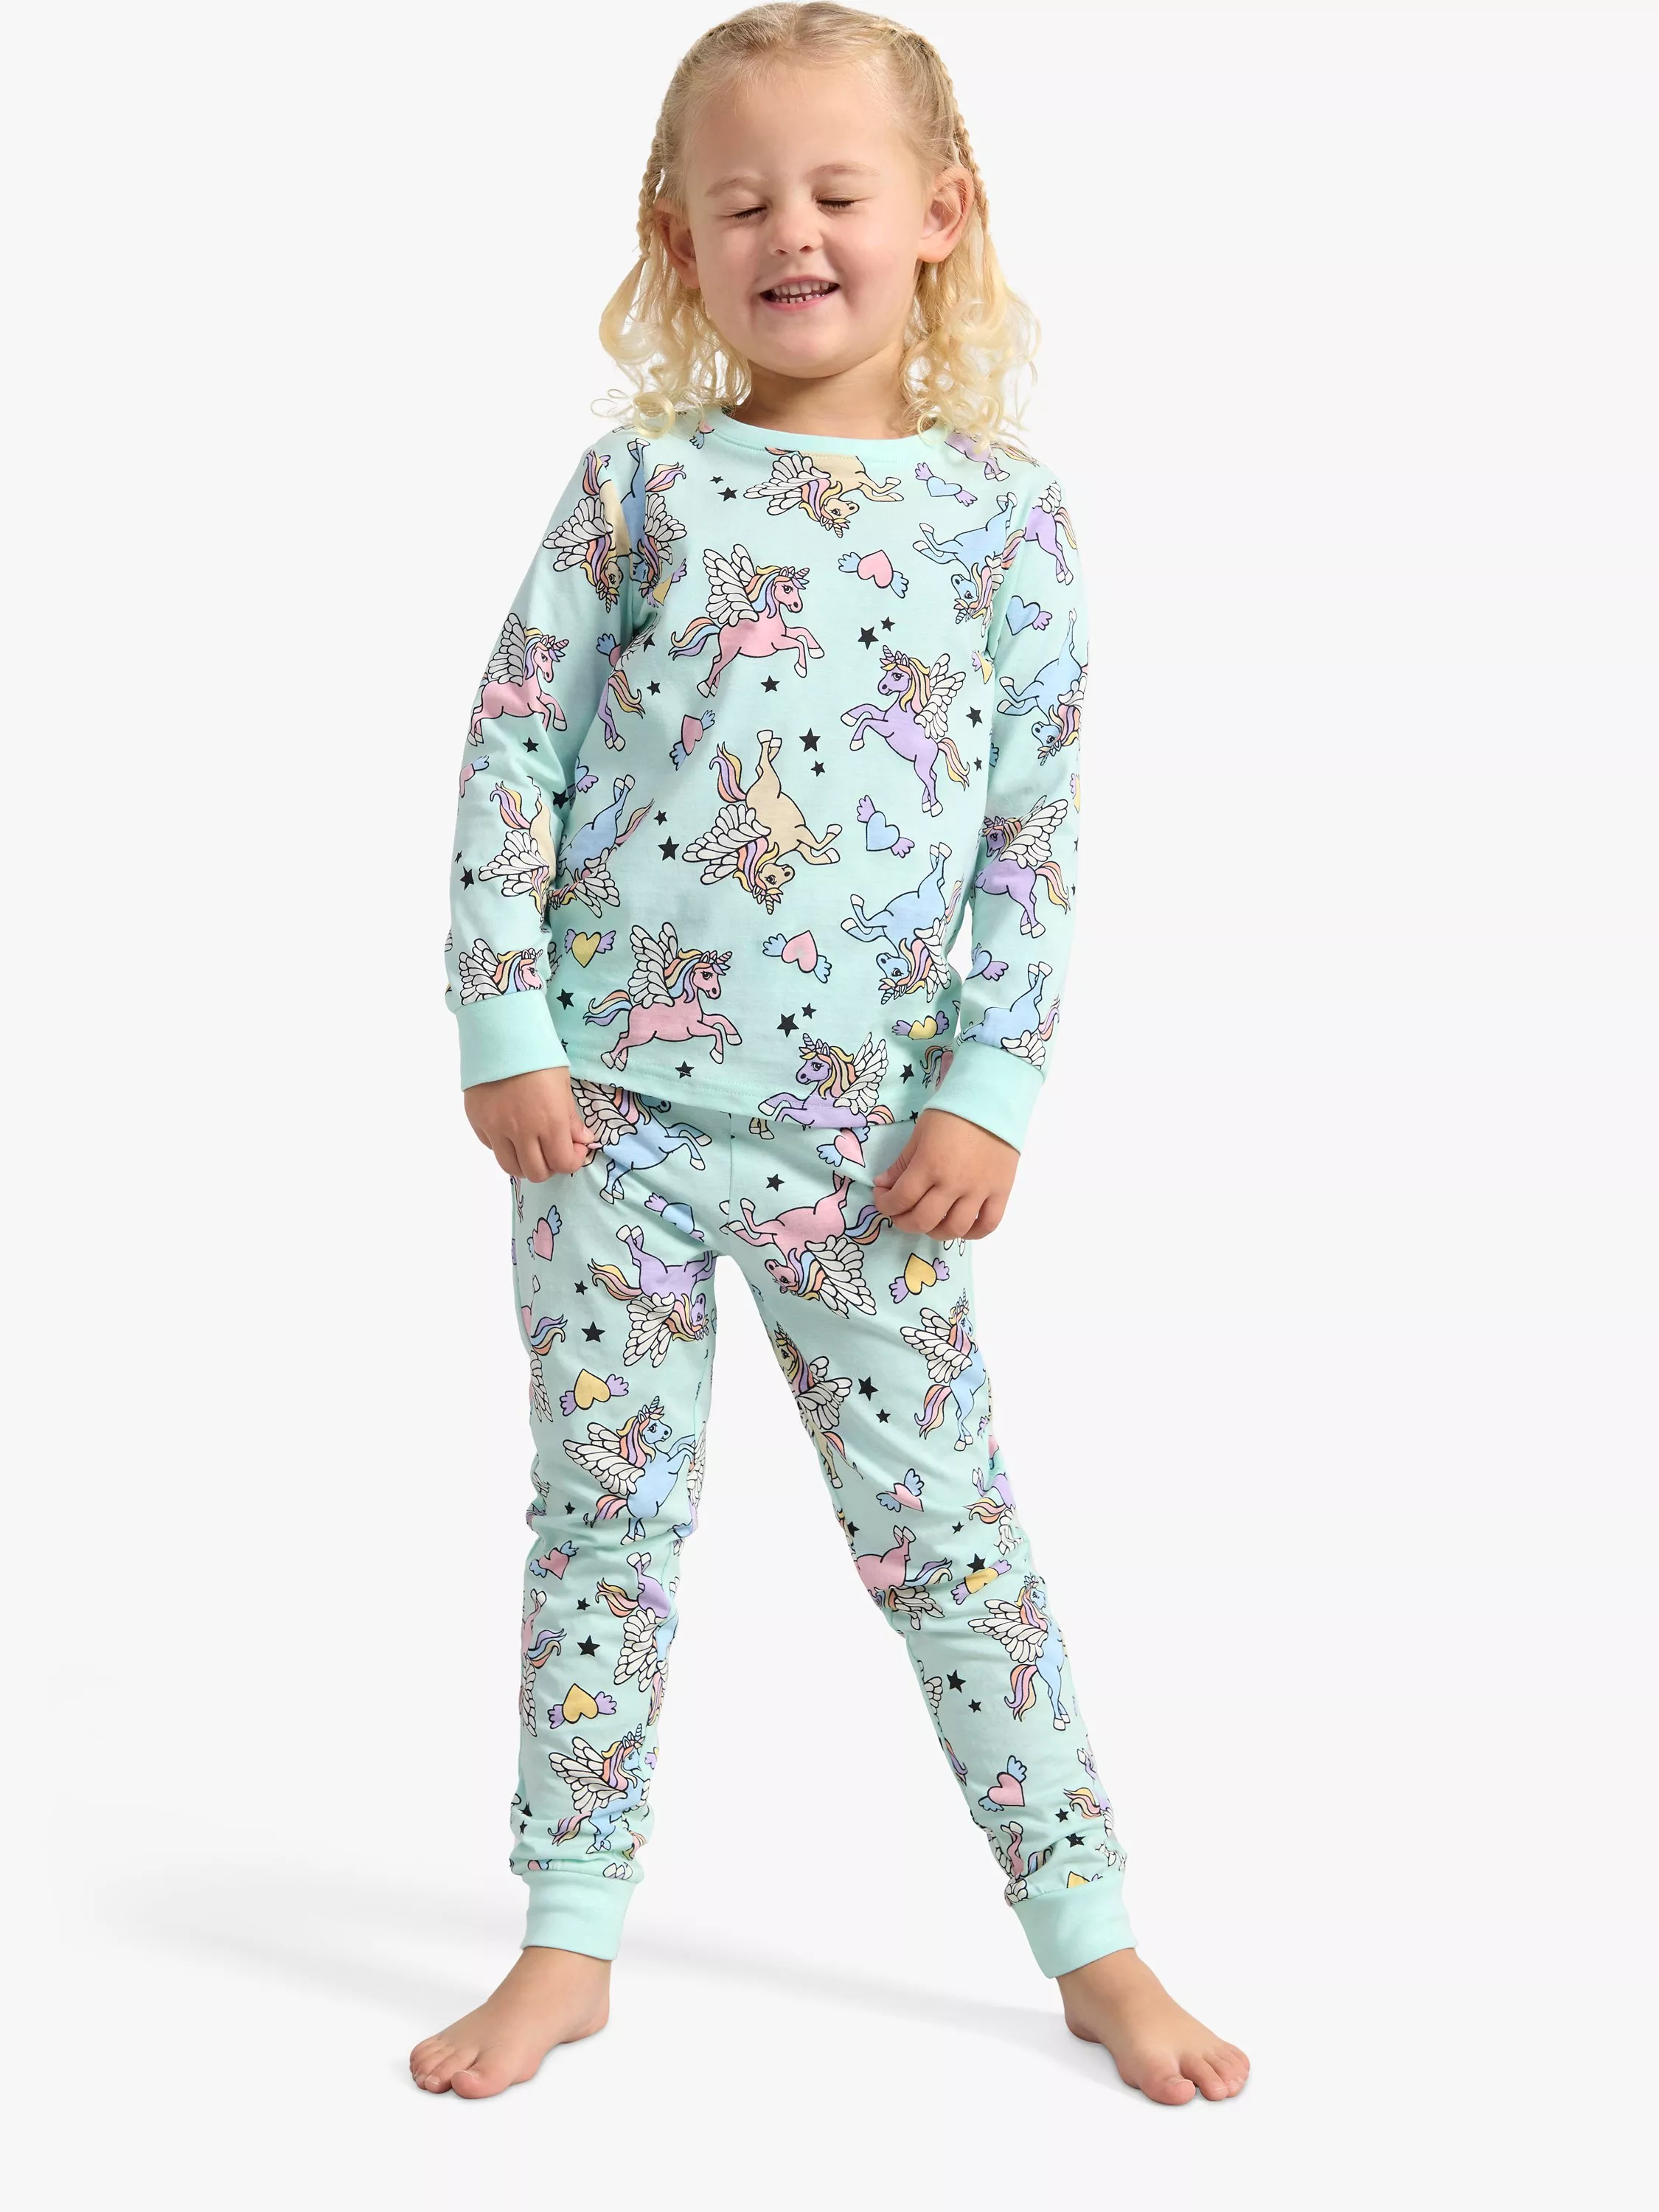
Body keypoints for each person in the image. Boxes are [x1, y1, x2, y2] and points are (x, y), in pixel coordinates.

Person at [411, 0, 1249, 2107]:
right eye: (744, 201)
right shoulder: (636, 489)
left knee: (950, 1537)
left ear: (941, 217)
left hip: (865, 1151)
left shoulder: (1005, 521)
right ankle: (568, 1937)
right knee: (602, 1528)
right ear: (675, 242)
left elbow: (1035, 831)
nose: (793, 232)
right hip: (601, 1129)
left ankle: (1093, 1938)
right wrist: (503, 1024)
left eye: (838, 192)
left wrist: (990, 1088)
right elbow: (511, 751)